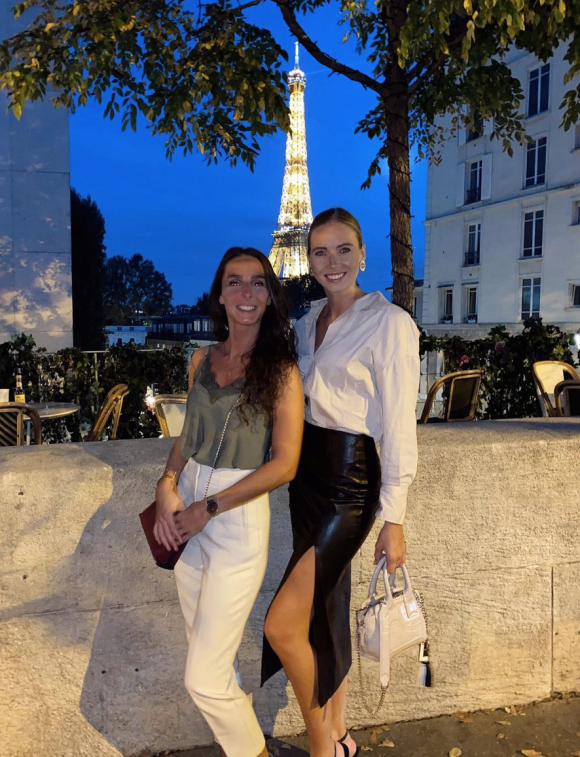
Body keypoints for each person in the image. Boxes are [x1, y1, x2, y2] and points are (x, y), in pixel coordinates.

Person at [262, 209, 420, 757]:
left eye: (343, 250)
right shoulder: (306, 322)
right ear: (308, 260)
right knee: (326, 612)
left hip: (351, 485)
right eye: (321, 252)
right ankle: (343, 733)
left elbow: (399, 428)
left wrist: (393, 518)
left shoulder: (390, 323)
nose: (332, 262)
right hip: (306, 477)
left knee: (282, 625)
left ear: (363, 254)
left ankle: (323, 743)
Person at [154, 247, 303, 757]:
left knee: (202, 677)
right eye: (234, 282)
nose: (245, 292)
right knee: (216, 663)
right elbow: (186, 437)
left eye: (257, 283)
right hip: (185, 507)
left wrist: (209, 508)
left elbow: (285, 464)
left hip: (234, 519)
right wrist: (166, 483)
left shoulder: (281, 372)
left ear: (269, 296)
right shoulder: (201, 358)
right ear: (219, 294)